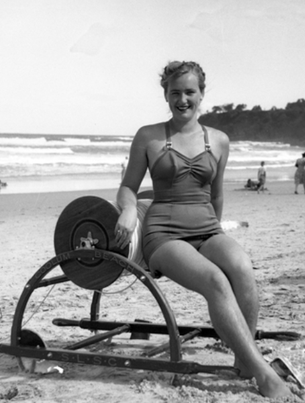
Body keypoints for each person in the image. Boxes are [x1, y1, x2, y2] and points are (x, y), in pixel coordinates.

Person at [111, 61, 295, 400]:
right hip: (164, 233)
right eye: (175, 92)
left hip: (207, 229)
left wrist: (217, 237)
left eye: (189, 92)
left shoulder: (220, 140)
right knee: (215, 281)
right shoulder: (149, 136)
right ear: (165, 95)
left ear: (202, 94)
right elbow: (129, 188)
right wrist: (126, 210)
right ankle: (263, 375)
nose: (183, 99)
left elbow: (217, 194)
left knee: (241, 267)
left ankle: (244, 360)